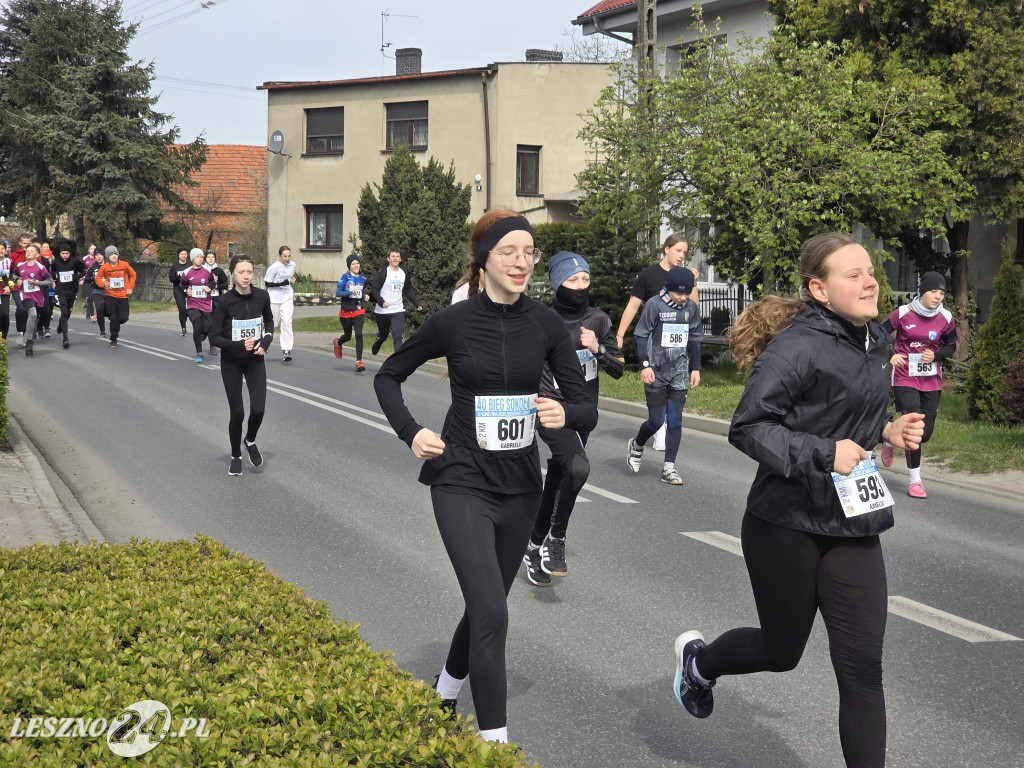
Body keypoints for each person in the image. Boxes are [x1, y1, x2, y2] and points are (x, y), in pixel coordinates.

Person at [671, 233, 925, 768]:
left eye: (870, 271)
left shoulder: (873, 339)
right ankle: (700, 665)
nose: (869, 280)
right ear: (819, 288)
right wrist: (823, 453)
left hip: (853, 523)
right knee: (781, 652)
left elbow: (835, 409)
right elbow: (749, 427)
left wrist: (886, 429)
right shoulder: (797, 346)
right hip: (785, 523)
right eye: (852, 274)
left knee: (862, 670)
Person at [374, 210, 596, 744]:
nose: (521, 263)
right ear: (484, 260)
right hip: (460, 480)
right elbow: (388, 376)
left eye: (529, 253)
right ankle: (495, 746)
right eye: (508, 253)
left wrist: (566, 414)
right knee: (493, 611)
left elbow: (586, 406)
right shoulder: (453, 322)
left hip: (521, 486)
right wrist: (410, 432)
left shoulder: (544, 323)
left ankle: (445, 693)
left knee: (485, 604)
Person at [522, 250, 623, 587]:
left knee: (560, 474)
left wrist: (599, 349)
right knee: (578, 468)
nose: (581, 286)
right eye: (573, 280)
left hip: (583, 413)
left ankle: (532, 547)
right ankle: (556, 540)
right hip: (550, 409)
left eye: (586, 279)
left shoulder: (599, 320)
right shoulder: (542, 321)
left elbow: (620, 369)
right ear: (557, 284)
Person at [615, 233, 700, 450]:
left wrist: (694, 283)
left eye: (685, 252)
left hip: (677, 355)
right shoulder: (649, 275)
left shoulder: (686, 276)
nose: (682, 255)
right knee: (657, 412)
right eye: (679, 250)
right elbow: (633, 306)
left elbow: (693, 311)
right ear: (666, 249)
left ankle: (662, 436)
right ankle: (655, 430)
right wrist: (620, 335)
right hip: (655, 351)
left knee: (672, 413)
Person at [879, 271, 957, 499]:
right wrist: (889, 355)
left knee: (925, 434)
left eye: (942, 292)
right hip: (905, 377)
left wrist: (935, 356)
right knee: (914, 428)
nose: (938, 296)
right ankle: (915, 482)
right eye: (933, 291)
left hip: (931, 380)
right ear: (923, 292)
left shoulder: (946, 318)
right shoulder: (902, 313)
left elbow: (951, 345)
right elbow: (877, 334)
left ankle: (889, 438)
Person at [625, 266, 703, 485]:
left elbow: (695, 337)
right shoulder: (654, 305)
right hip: (655, 371)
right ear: (668, 288)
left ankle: (669, 468)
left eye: (687, 292)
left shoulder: (690, 307)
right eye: (679, 293)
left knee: (676, 421)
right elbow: (641, 334)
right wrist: (645, 365)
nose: (683, 297)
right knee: (656, 421)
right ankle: (637, 444)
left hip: (678, 371)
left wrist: (696, 368)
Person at [209, 254, 274, 476]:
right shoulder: (225, 301)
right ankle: (236, 454)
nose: (246, 276)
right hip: (232, 362)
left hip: (256, 360)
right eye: (241, 272)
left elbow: (270, 322)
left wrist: (266, 340)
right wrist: (237, 345)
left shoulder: (262, 296)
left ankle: (250, 440)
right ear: (233, 274)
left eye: (249, 271)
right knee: (237, 414)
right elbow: (214, 337)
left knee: (259, 409)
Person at [368, 249, 422, 355]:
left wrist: (417, 303)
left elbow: (407, 290)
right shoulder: (384, 272)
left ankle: (398, 362)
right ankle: (378, 341)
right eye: (393, 256)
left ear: (400, 259)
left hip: (397, 310)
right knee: (383, 335)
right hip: (382, 311)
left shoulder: (404, 272)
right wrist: (381, 302)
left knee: (398, 337)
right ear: (388, 259)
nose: (395, 258)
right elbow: (374, 290)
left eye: (397, 256)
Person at [12, 244, 53, 357]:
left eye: (31, 251)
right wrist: (18, 280)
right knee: (33, 314)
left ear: (37, 254)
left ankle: (30, 338)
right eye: (27, 251)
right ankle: (28, 341)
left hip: (38, 297)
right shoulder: (21, 266)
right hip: (26, 295)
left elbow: (49, 281)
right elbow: (14, 275)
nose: (28, 253)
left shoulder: (40, 267)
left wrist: (37, 283)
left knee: (35, 318)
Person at [93, 245, 136, 349]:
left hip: (123, 296)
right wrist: (103, 284)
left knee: (123, 318)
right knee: (113, 319)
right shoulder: (105, 267)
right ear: (108, 256)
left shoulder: (124, 265)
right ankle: (113, 339)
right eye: (111, 254)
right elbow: (98, 278)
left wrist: (130, 287)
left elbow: (133, 275)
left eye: (115, 254)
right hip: (110, 296)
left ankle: (115, 324)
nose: (114, 256)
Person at [333, 254, 368, 372]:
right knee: (348, 336)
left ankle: (359, 361)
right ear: (349, 266)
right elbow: (338, 293)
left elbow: (362, 292)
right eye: (353, 264)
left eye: (357, 263)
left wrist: (365, 296)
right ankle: (339, 342)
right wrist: (350, 291)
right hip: (346, 311)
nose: (356, 265)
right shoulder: (345, 277)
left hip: (358, 309)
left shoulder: (363, 278)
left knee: (359, 334)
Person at [180, 248, 214, 363]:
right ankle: (199, 353)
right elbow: (182, 286)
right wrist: (186, 291)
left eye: (201, 257)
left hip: (205, 304)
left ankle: (203, 334)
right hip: (192, 304)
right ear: (192, 258)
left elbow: (213, 282)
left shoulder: (207, 270)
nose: (200, 259)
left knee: (208, 327)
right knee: (197, 326)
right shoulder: (187, 272)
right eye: (197, 257)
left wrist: (210, 288)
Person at [51, 242, 86, 349]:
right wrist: (54, 279)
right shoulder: (56, 262)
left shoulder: (74, 261)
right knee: (64, 312)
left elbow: (83, 271)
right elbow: (52, 271)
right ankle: (65, 338)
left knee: (67, 315)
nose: (65, 255)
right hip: (61, 291)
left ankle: (61, 324)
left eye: (67, 253)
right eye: (63, 253)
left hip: (72, 291)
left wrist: (77, 277)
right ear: (59, 253)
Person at [264, 245, 296, 362]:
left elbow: (289, 278)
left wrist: (290, 281)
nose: (287, 258)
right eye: (285, 256)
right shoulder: (274, 267)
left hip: (287, 297)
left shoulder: (292, 265)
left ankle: (286, 350)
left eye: (289, 256)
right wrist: (281, 283)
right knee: (273, 323)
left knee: (287, 322)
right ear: (280, 256)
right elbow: (267, 283)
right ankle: (264, 342)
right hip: (274, 298)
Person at [83, 251, 107, 338]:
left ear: (104, 256)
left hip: (109, 291)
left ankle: (114, 329)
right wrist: (94, 278)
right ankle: (102, 331)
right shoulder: (93, 266)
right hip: (97, 291)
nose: (99, 257)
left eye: (100, 255)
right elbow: (87, 279)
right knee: (100, 309)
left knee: (110, 311)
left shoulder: (108, 264)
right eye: (97, 255)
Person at [169, 249, 191, 336]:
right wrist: (179, 276)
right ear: (179, 255)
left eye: (185, 254)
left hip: (189, 289)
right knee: (182, 309)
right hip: (178, 289)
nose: (184, 255)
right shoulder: (175, 266)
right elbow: (171, 279)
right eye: (182, 254)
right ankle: (184, 328)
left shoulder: (190, 264)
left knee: (192, 308)